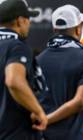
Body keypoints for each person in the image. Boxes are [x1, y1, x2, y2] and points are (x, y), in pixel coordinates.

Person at [37, 4, 83, 140]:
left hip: (42, 135)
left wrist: (43, 119)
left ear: (55, 29)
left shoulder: (38, 60)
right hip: (74, 136)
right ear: (78, 29)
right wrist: (47, 119)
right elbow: (81, 101)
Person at [0, 0, 48, 140]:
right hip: (14, 132)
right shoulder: (17, 45)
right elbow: (14, 80)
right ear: (20, 21)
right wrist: (37, 110)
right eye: (28, 19)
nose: (29, 23)